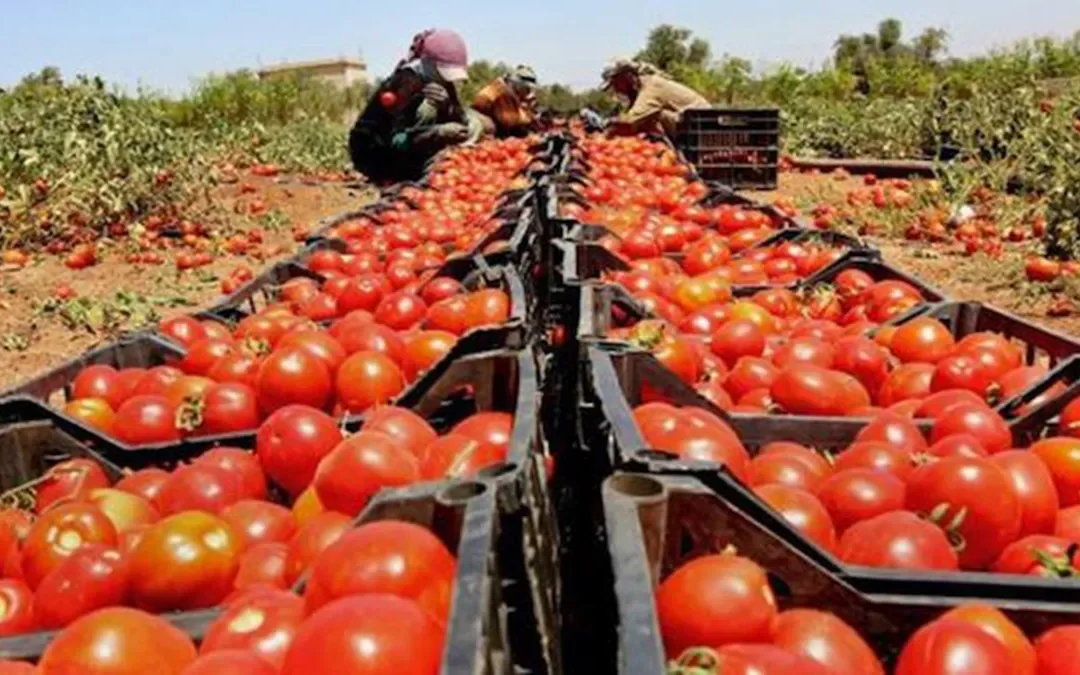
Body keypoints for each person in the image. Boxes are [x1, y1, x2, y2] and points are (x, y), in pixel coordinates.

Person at [348, 29, 485, 183]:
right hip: (376, 155)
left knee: (474, 124)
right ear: (427, 64)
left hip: (410, 148)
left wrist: (448, 107)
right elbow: (397, 140)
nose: (445, 79)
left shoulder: (442, 83)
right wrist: (437, 133)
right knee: (434, 120)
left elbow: (462, 119)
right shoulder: (404, 84)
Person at [601, 59, 709, 138]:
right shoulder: (638, 89)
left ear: (628, 77)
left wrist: (610, 125)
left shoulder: (651, 86)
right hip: (687, 123)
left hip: (701, 124)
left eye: (615, 83)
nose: (616, 89)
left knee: (649, 117)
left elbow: (631, 120)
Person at [471, 66, 541, 138]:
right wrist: (529, 116)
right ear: (515, 84)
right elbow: (508, 120)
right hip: (484, 133)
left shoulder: (510, 93)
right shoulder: (499, 93)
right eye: (526, 89)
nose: (527, 93)